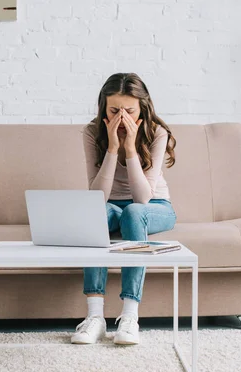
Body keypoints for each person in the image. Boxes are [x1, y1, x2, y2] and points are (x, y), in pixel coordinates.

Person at [72, 72, 177, 345]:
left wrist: (129, 148)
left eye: (129, 111)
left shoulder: (157, 133)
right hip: (110, 205)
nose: (122, 118)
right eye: (114, 110)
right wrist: (112, 148)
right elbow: (97, 197)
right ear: (103, 109)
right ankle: (95, 317)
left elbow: (142, 198)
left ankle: (130, 317)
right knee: (92, 214)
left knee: (133, 212)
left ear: (142, 108)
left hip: (153, 206)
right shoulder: (92, 132)